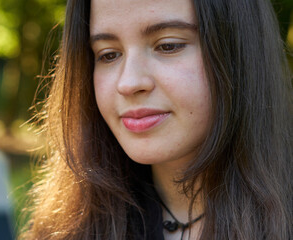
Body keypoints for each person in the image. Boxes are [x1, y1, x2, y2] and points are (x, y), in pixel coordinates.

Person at [20, 0, 292, 239]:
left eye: (168, 46)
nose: (128, 83)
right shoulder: (64, 229)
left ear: (239, 50)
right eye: (108, 54)